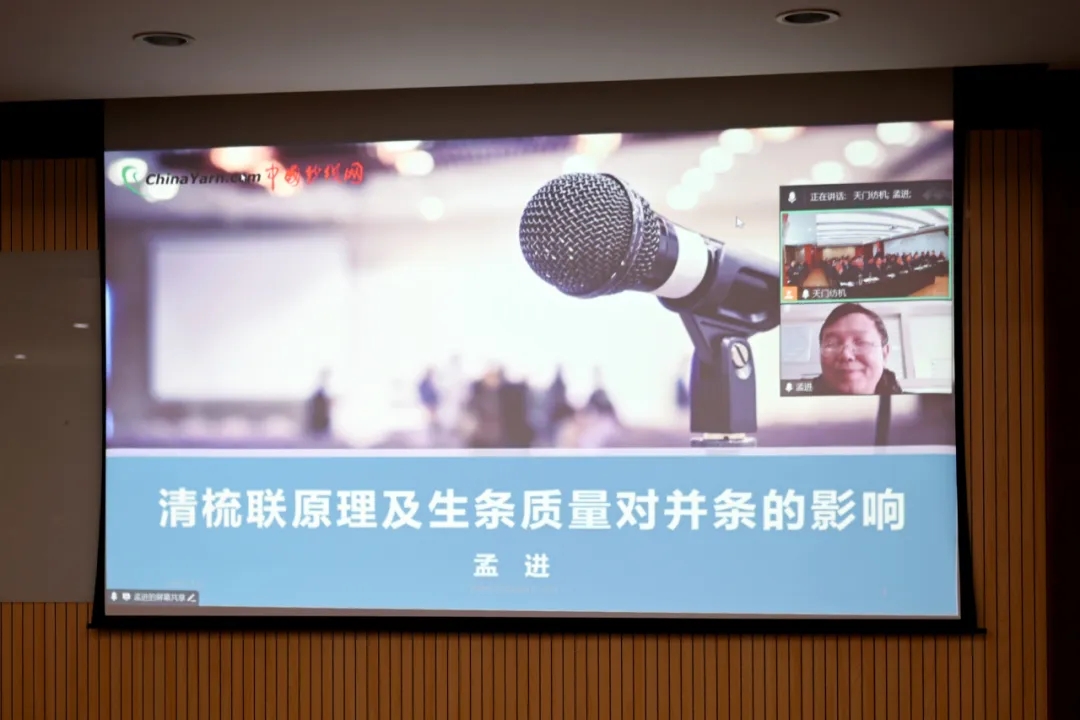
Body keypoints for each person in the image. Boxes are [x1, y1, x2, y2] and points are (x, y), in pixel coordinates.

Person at [811, 303, 903, 395]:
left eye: (861, 342)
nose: (846, 355)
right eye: (832, 344)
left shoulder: (910, 402)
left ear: (884, 353)